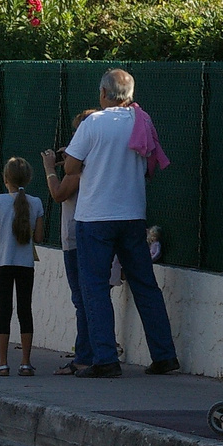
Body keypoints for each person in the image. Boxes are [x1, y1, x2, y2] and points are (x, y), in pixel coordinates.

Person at [62, 70, 179, 377]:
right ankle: (164, 355)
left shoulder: (93, 123)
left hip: (95, 217)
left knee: (95, 288)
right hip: (132, 214)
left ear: (103, 93)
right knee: (145, 285)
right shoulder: (142, 121)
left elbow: (72, 165)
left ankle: (105, 359)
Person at [41, 109, 97, 374]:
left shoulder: (80, 169)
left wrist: (50, 168)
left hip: (76, 238)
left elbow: (59, 194)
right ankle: (94, 351)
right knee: (88, 297)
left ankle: (85, 355)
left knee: (81, 299)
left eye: (78, 133)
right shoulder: (95, 161)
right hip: (84, 236)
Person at [0, 157, 45, 377]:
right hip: (25, 265)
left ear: (5, 178)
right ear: (28, 179)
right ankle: (26, 363)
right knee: (24, 310)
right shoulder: (36, 202)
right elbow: (38, 237)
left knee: (4, 310)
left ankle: (2, 364)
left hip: (4, 263)